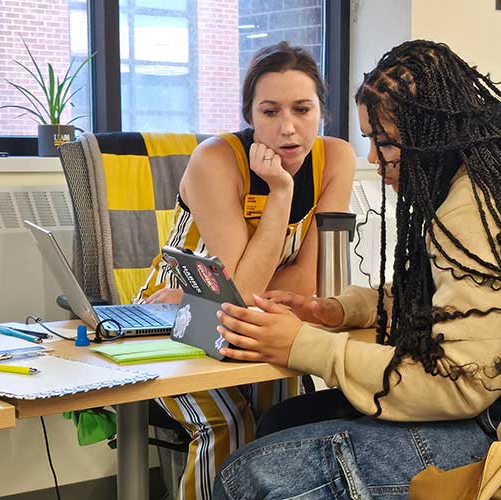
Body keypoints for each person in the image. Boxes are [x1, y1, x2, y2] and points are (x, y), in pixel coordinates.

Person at [211, 40, 501, 500]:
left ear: (425, 132)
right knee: (284, 420)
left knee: (247, 474)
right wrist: (342, 310)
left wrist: (304, 345)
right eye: (367, 141)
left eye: (381, 140)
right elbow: (462, 299)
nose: (374, 159)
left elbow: (458, 382)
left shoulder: (473, 209)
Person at [135, 42, 355, 500]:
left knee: (289, 421)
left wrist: (225, 290)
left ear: (323, 113)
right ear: (250, 116)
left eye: (302, 109)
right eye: (270, 111)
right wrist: (279, 192)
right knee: (228, 423)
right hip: (174, 317)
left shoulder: (336, 159)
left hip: (255, 315)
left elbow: (304, 286)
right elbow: (242, 287)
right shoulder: (215, 161)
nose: (288, 128)